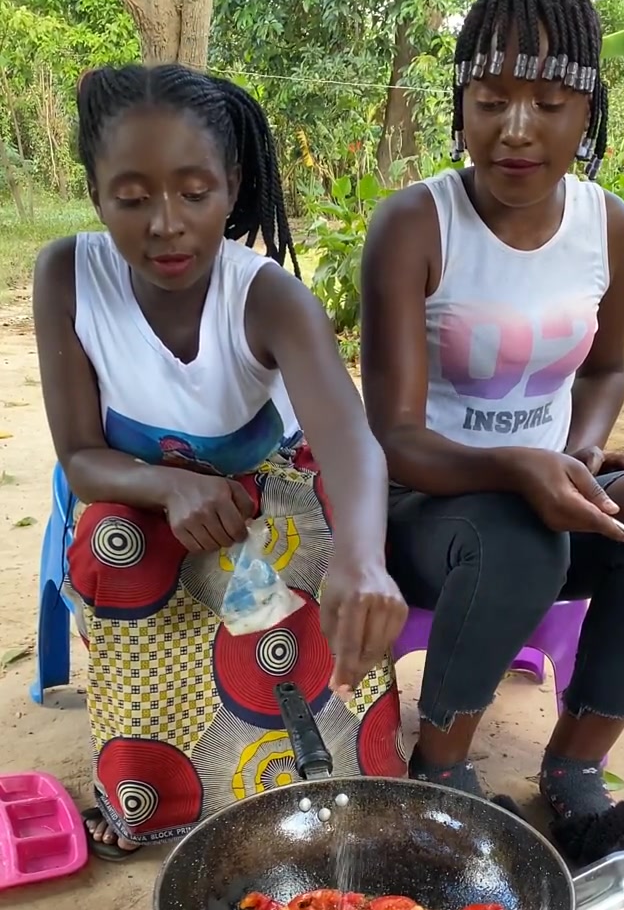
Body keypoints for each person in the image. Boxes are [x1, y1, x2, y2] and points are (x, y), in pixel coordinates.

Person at [360, 0, 624, 866]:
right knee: (520, 533)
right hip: (427, 512)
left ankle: (575, 775)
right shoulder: (416, 224)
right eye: (491, 101)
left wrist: (582, 451)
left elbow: (605, 368)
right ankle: (439, 773)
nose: (517, 129)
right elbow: (394, 434)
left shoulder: (610, 227)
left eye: (550, 102)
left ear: (587, 110)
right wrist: (521, 467)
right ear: (461, 105)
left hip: (553, 498)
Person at [34, 63, 408, 859]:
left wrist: (364, 559)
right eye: (132, 198)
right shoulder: (68, 275)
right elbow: (79, 457)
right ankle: (152, 795)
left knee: (320, 546)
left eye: (194, 192)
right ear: (96, 192)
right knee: (118, 545)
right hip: (131, 492)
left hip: (258, 493)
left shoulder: (268, 296)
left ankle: (330, 772)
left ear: (233, 185)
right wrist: (167, 486)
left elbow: (348, 439)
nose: (166, 223)